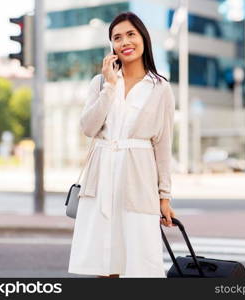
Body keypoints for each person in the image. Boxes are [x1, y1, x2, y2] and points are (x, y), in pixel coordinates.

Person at [68, 11, 176, 278]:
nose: (124, 42)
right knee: (103, 262)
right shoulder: (101, 82)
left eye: (130, 34)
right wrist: (110, 87)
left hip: (138, 182)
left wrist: (164, 196)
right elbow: (88, 127)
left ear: (143, 39)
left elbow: (163, 146)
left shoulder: (160, 88)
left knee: (139, 264)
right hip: (101, 179)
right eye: (117, 38)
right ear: (111, 46)